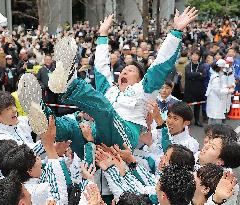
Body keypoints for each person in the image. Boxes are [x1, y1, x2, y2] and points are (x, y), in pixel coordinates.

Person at [31, 8, 197, 159]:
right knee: (70, 126)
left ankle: (70, 84)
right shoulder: (110, 90)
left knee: (105, 110)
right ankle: (40, 113)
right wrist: (102, 34)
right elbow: (101, 67)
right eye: (123, 70)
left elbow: (161, 65)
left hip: (125, 134)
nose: (124, 71)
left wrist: (175, 32)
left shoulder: (144, 89)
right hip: (96, 138)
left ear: (140, 79)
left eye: (131, 71)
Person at [206, 59, 232, 125]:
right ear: (220, 68)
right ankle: (215, 133)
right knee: (216, 118)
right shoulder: (216, 77)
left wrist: (226, 87)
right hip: (215, 100)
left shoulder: (216, 75)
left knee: (213, 117)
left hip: (215, 99)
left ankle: (211, 133)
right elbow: (218, 90)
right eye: (223, 67)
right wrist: (227, 90)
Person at [184, 50, 206, 127]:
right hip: (189, 89)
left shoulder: (201, 66)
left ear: (199, 57)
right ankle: (188, 121)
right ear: (191, 56)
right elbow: (188, 75)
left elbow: (203, 76)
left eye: (197, 55)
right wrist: (198, 74)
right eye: (193, 55)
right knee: (188, 106)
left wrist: (194, 75)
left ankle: (197, 120)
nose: (195, 56)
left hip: (198, 89)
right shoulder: (187, 66)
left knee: (197, 106)